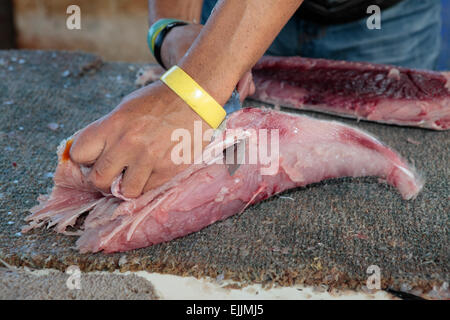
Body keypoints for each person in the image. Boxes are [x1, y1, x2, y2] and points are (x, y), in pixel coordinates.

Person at [69, 0, 441, 198]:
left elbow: (194, 91)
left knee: (399, 154)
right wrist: (172, 28)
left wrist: (191, 92)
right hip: (232, 11)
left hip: (381, 19)